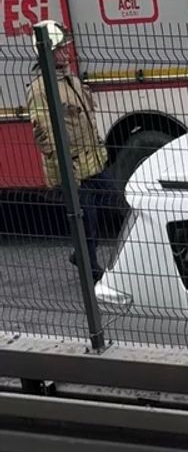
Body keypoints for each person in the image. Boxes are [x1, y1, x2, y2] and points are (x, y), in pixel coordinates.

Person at [25, 20, 114, 282]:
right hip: (72, 168)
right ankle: (90, 271)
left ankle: (84, 256)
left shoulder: (70, 78)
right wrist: (67, 173)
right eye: (61, 49)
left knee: (116, 200)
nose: (67, 52)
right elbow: (46, 137)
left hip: (93, 161)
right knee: (87, 220)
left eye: (66, 47)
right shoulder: (41, 90)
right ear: (47, 53)